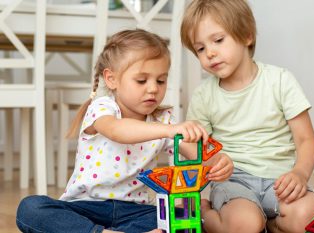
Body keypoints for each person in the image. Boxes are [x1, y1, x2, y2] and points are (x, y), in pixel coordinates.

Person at [16, 29, 233, 233]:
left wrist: (217, 162)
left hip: (135, 211)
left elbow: (196, 154)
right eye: (141, 80)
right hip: (87, 207)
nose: (153, 88)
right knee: (31, 208)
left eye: (161, 80)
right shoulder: (102, 108)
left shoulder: (163, 120)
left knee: (185, 215)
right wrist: (169, 130)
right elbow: (117, 131)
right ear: (112, 79)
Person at [180, 1, 314, 233]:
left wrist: (300, 173)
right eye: (200, 49)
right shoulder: (204, 95)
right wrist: (212, 160)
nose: (210, 53)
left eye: (218, 40)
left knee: (310, 213)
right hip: (233, 182)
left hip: (280, 179)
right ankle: (205, 214)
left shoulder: (280, 80)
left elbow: (306, 139)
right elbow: (190, 143)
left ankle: (273, 224)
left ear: (247, 36)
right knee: (244, 224)